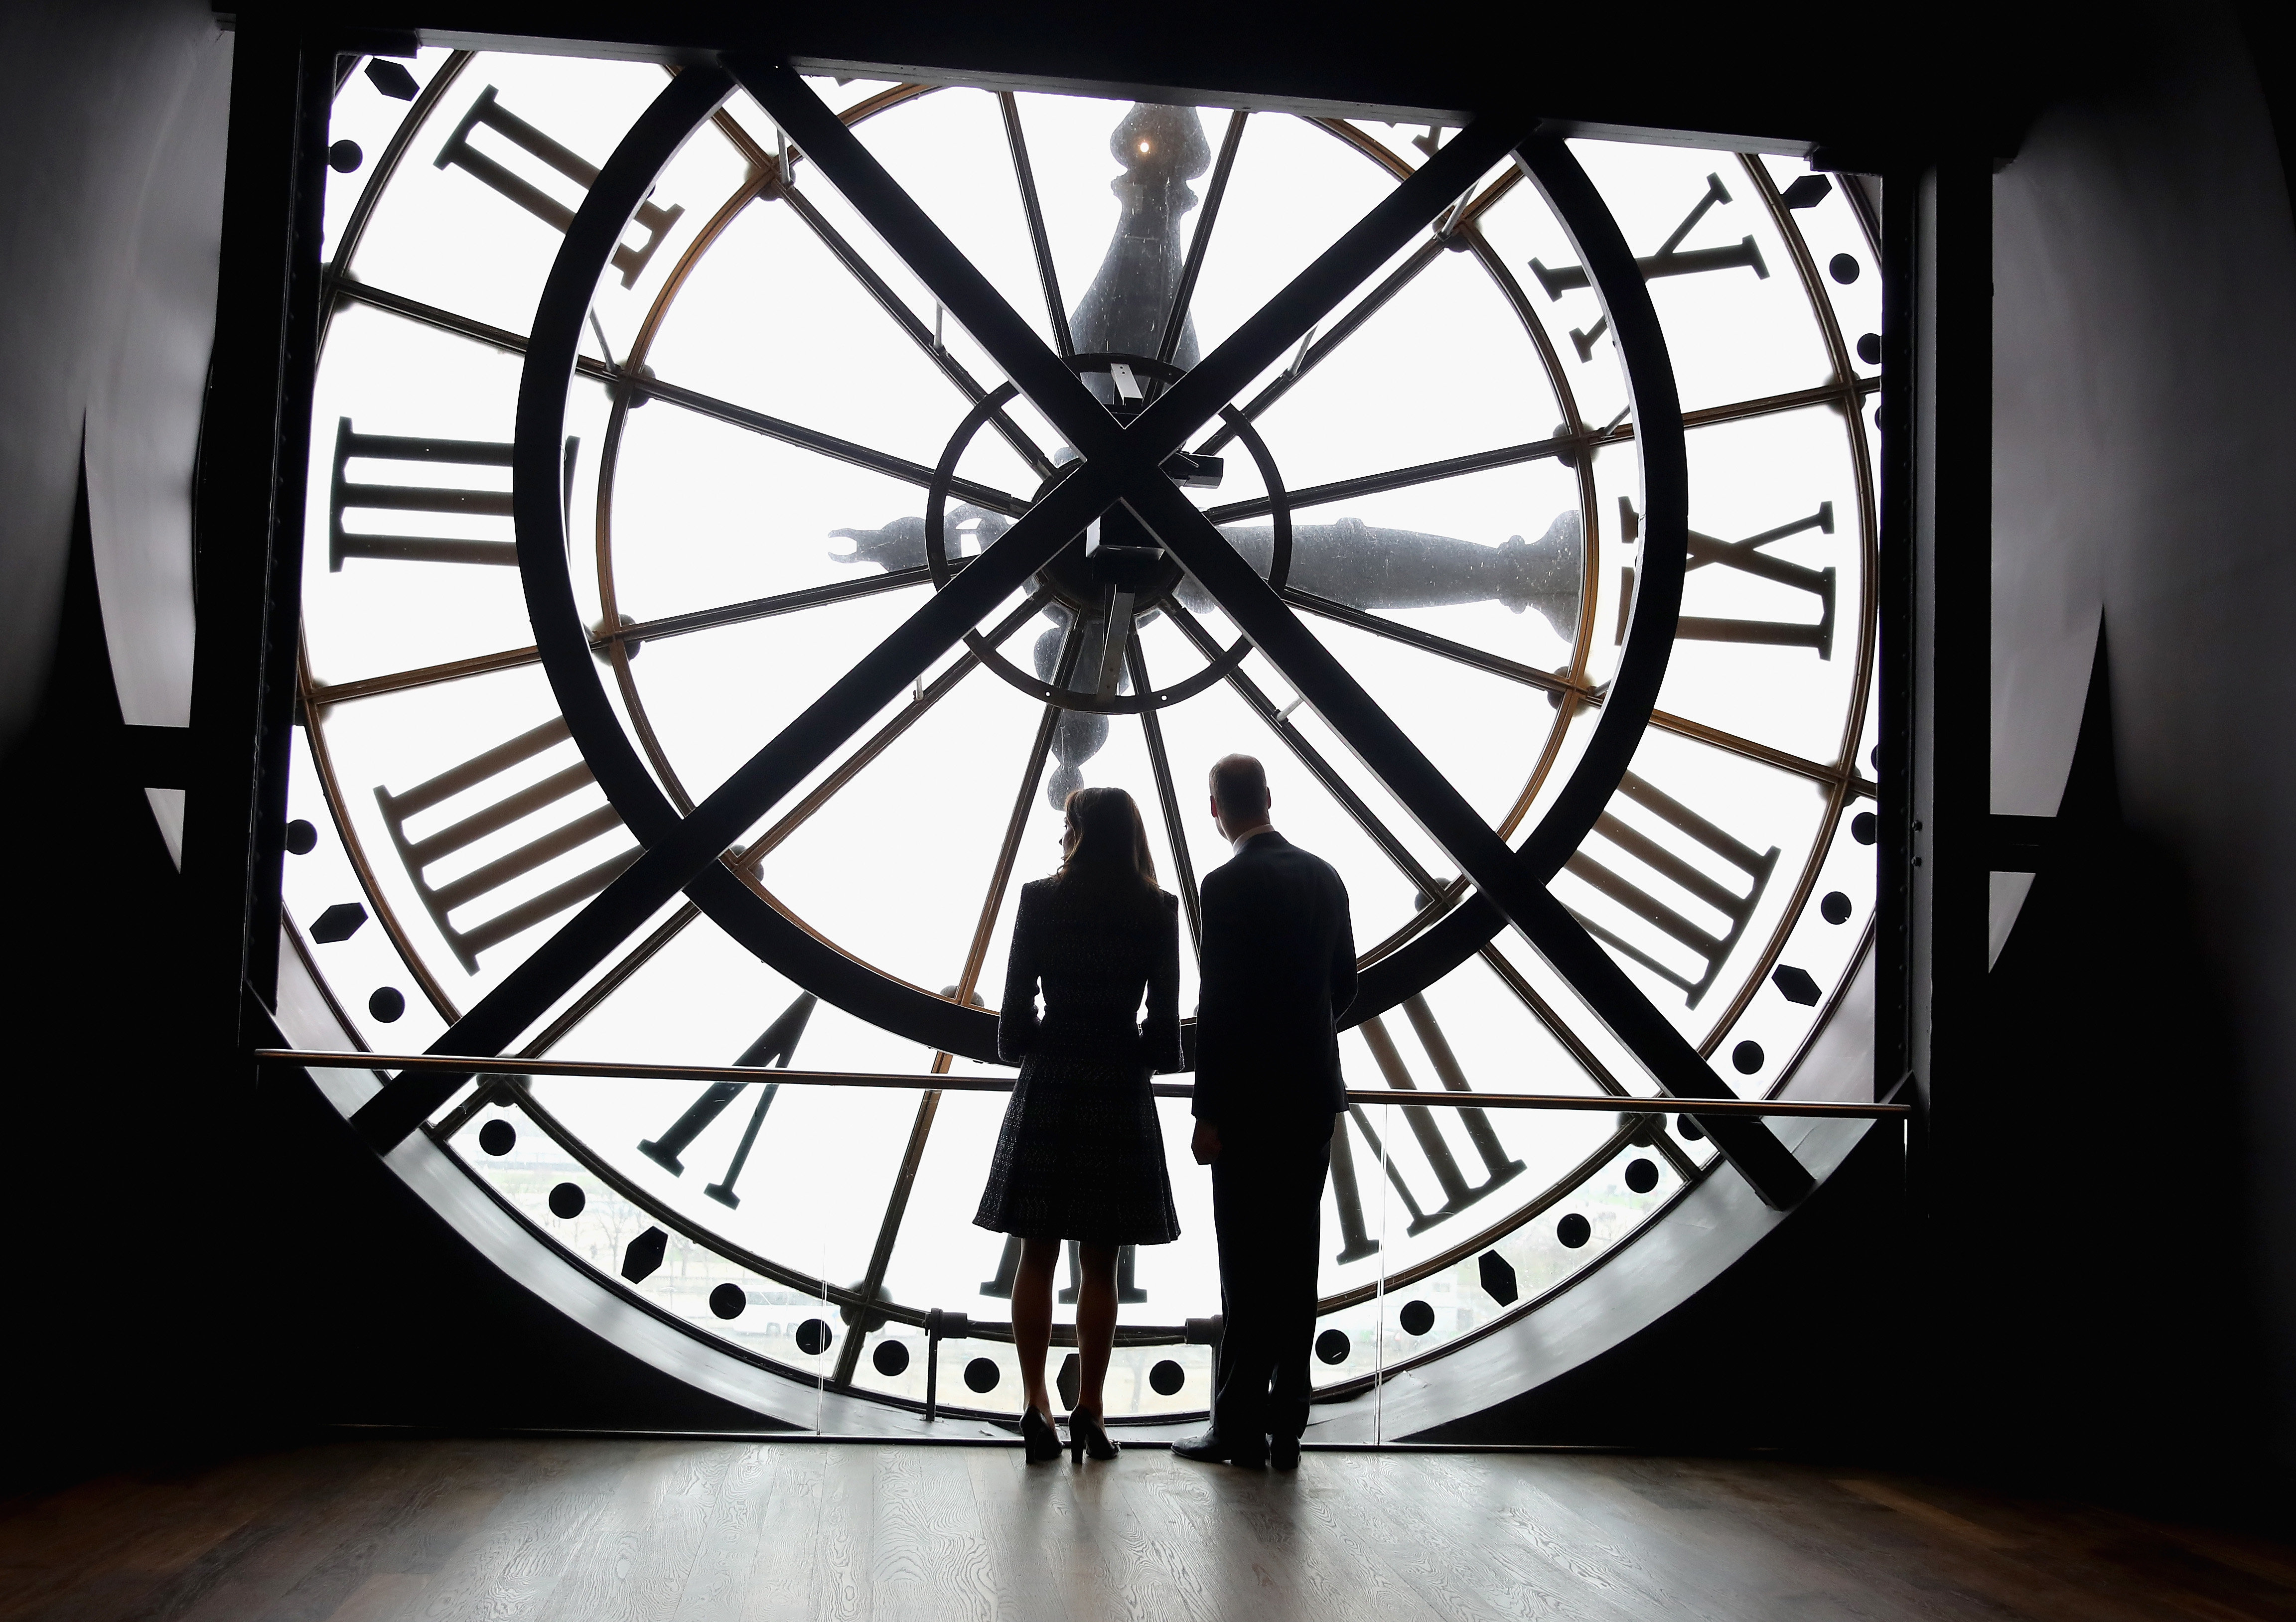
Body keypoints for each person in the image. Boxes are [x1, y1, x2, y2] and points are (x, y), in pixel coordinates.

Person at [975, 785, 1182, 1464]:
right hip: (1118, 1088)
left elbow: (1012, 1022)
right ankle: (1089, 1409)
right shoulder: (1158, 911)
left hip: (1051, 1082)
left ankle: (1034, 1402)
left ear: (1074, 831)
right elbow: (1164, 1036)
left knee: (1036, 1255)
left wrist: (1037, 1046)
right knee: (1103, 1264)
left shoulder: (1039, 900)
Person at [1174, 753, 1356, 1471]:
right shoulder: (1324, 877)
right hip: (1312, 1093)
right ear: (1270, 799)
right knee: (1295, 1258)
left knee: (1246, 1267)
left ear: (1215, 809)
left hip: (1247, 1104)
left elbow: (1219, 1007)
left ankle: (1239, 1423)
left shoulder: (1224, 886)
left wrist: (1209, 1110)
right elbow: (1342, 986)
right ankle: (1288, 1422)